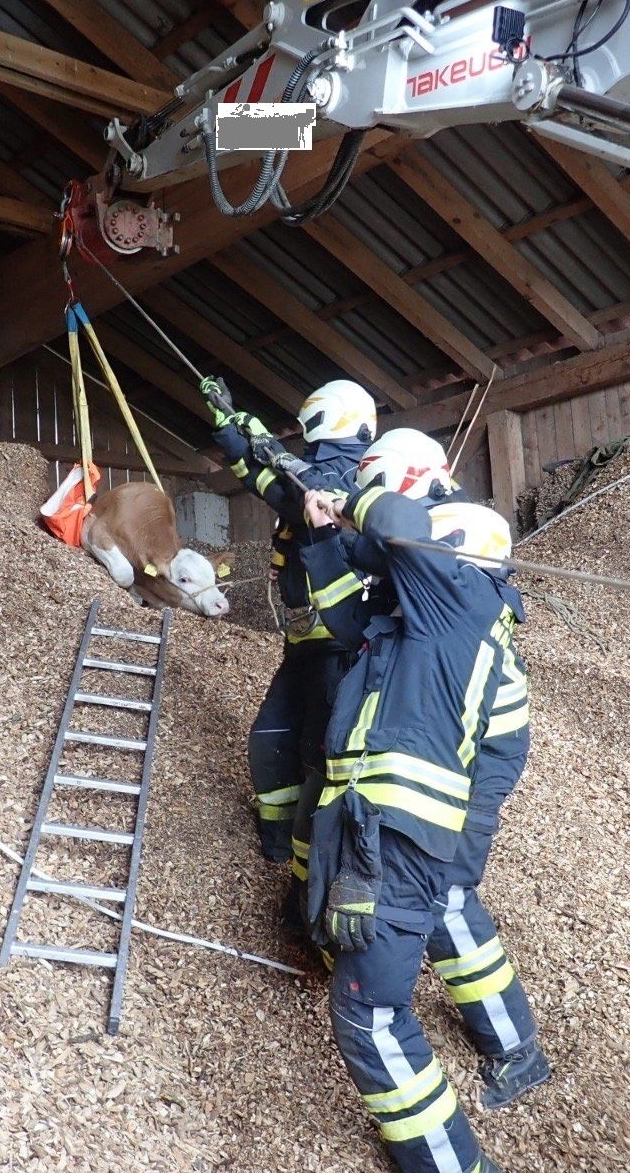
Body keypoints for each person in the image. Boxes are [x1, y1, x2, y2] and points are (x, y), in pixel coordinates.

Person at [299, 429, 548, 1173]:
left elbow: (402, 526)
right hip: (389, 821)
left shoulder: (455, 599)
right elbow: (349, 622)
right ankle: (502, 1062)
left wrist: (353, 499)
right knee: (431, 923)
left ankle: (461, 1145)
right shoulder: (421, 623)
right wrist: (323, 539)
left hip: (409, 824)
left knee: (384, 998)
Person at [201, 376, 376, 901]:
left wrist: (244, 435)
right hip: (304, 644)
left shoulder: (346, 478)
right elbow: (272, 482)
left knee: (316, 756)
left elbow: (282, 488)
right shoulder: (313, 473)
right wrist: (232, 431)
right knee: (271, 741)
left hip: (339, 648)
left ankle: (306, 872)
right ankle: (277, 852)